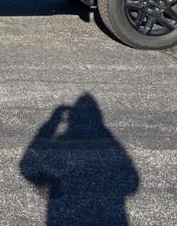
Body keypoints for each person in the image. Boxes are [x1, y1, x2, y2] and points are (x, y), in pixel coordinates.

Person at [20, 93, 139, 225]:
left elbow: (27, 166)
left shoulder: (63, 143)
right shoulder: (107, 138)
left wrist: (55, 119)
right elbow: (131, 182)